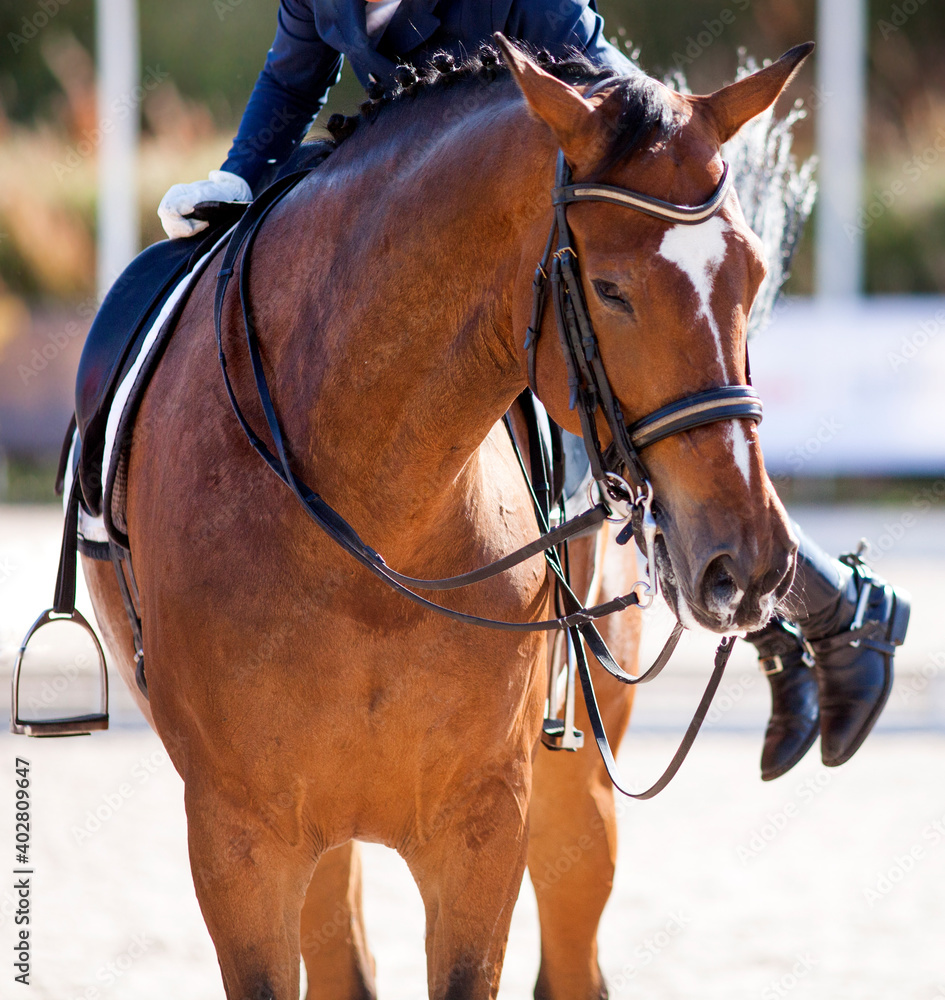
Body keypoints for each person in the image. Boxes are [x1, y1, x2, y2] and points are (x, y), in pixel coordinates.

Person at [158, 0, 909, 780]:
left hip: (536, 251)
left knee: (626, 420)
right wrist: (236, 176)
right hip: (430, 242)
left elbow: (634, 117)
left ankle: (814, 609)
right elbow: (290, 85)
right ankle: (810, 615)